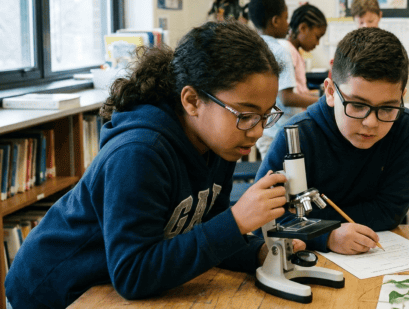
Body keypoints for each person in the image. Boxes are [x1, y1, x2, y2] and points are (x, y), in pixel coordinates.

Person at [4, 22, 305, 308]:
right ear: (192, 101)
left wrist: (260, 251)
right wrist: (237, 221)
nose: (256, 131)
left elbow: (205, 234)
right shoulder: (139, 153)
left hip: (109, 289)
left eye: (266, 116)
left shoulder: (221, 144)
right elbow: (133, 273)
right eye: (245, 115)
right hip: (53, 293)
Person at [255, 27, 409, 255]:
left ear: (402, 98)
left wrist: (310, 221)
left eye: (387, 108)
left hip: (378, 253)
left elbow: (390, 211)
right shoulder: (295, 135)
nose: (371, 122)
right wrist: (327, 235)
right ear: (331, 92)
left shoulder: (404, 127)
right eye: (358, 105)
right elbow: (263, 219)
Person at [248, 0, 317, 158]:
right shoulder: (280, 50)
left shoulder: (251, 47)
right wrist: (321, 101)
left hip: (263, 129)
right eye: (286, 18)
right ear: (275, 21)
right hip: (282, 131)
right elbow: (286, 98)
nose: (288, 24)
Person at [279, 3, 328, 95]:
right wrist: (322, 102)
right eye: (317, 37)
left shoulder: (294, 52)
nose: (317, 43)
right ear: (303, 28)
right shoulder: (288, 51)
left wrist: (321, 94)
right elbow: (287, 98)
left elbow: (300, 92)